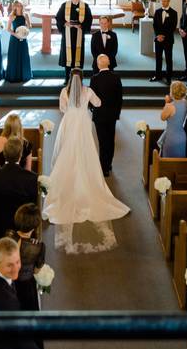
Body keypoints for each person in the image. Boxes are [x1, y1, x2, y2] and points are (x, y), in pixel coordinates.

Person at [43, 69, 130, 254]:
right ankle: (86, 180)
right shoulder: (87, 91)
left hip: (69, 123)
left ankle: (67, 182)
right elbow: (98, 104)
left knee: (67, 152)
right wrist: (87, 105)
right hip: (82, 124)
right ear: (82, 79)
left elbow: (62, 109)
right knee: (85, 152)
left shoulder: (64, 92)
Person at [7, 203, 46, 349]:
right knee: (32, 325)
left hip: (11, 286)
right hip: (27, 287)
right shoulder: (38, 246)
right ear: (34, 225)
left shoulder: (8, 237)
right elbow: (37, 270)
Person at [0, 138, 40, 249]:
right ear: (20, 155)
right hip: (20, 233)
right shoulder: (31, 178)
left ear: (4, 154)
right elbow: (32, 207)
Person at [89, 54, 123, 176]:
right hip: (112, 115)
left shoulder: (94, 79)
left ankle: (103, 167)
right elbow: (120, 98)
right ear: (108, 63)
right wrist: (117, 113)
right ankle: (108, 164)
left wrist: (92, 109)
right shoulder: (116, 78)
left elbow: (92, 98)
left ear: (98, 64)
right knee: (110, 139)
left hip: (99, 115)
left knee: (102, 141)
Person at [55, 0, 93, 82]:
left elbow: (89, 19)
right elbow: (58, 17)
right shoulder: (65, 5)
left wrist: (82, 25)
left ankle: (78, 78)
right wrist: (64, 23)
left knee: (78, 56)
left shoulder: (85, 6)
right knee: (67, 56)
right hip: (67, 34)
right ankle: (67, 77)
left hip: (79, 34)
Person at [151, 0, 177, 84]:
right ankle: (157, 75)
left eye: (165, 1)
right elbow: (155, 25)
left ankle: (168, 77)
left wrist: (163, 36)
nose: (163, 2)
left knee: (168, 59)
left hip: (168, 39)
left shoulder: (174, 13)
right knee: (158, 58)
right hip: (158, 39)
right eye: (162, 1)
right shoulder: (157, 11)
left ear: (169, 1)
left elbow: (173, 27)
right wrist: (158, 35)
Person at [158, 81, 187, 157]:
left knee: (168, 163)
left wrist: (166, 103)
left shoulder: (169, 106)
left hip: (171, 138)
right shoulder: (185, 102)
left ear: (172, 92)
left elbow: (162, 117)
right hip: (182, 136)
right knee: (179, 163)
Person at [5, 0, 32, 83]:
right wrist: (16, 34)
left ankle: (24, 75)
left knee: (23, 55)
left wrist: (26, 30)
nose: (19, 7)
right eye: (17, 5)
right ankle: (13, 76)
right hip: (14, 38)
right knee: (14, 56)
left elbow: (29, 25)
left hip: (23, 38)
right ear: (14, 6)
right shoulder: (12, 16)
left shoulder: (25, 15)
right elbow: (8, 29)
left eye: (20, 5)